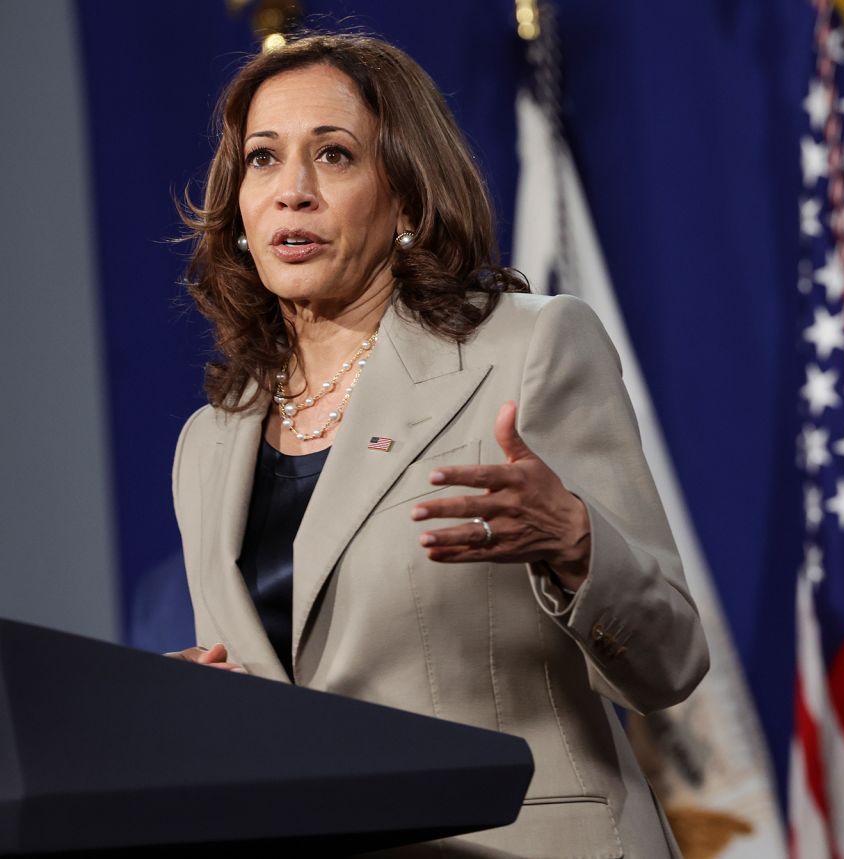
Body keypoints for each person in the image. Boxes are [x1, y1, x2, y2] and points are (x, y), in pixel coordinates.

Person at [168, 32, 708, 858]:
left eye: (336, 156)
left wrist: (575, 542)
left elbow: (670, 658)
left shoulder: (526, 351)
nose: (293, 193)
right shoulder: (209, 443)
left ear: (409, 200)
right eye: (264, 160)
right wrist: (204, 707)